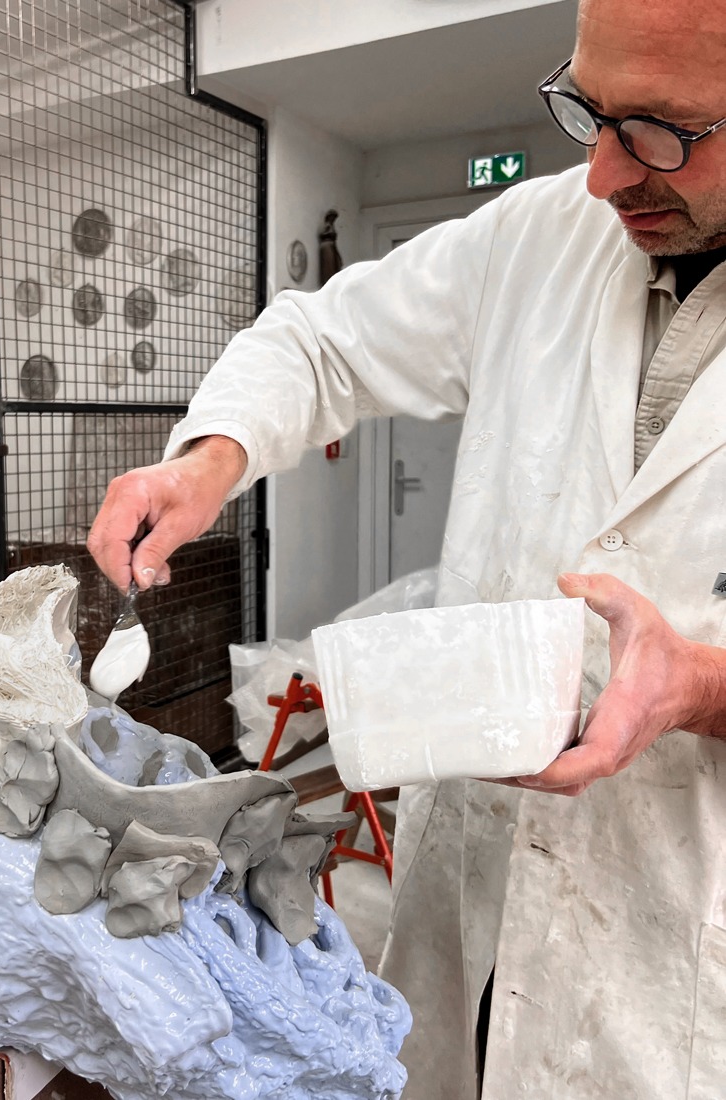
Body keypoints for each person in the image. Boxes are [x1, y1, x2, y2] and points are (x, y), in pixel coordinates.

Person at [87, 0, 726, 1096]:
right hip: (474, 881)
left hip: (677, 942)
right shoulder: (540, 236)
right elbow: (319, 336)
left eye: (661, 131)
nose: (602, 178)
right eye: (587, 110)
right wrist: (207, 460)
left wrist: (701, 687)